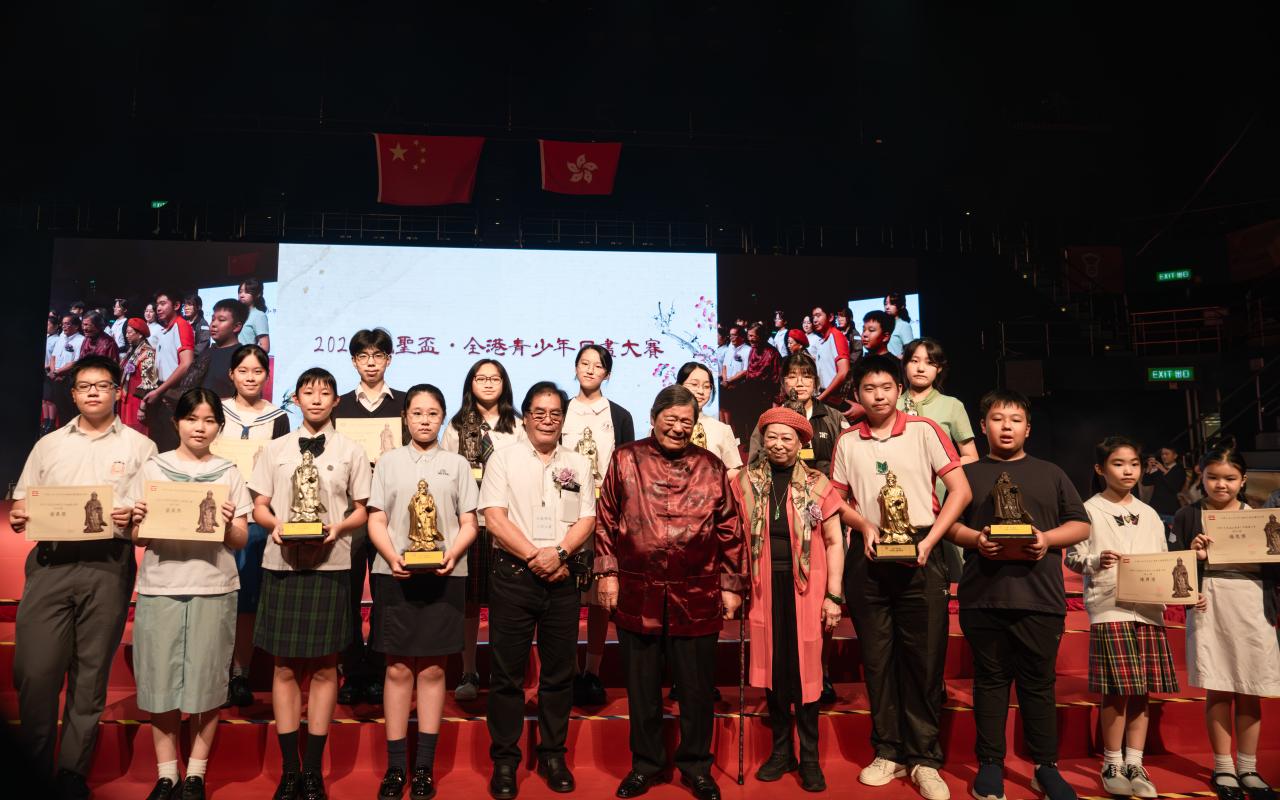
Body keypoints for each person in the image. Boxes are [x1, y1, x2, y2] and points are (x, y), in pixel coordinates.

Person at [8, 355, 158, 798]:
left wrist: (135, 516)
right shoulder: (49, 444)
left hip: (108, 564)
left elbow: (149, 516)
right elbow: (22, 501)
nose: (94, 392)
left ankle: (72, 772)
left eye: (103, 384)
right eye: (85, 386)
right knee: (35, 672)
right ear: (72, 394)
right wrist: (20, 514)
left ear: (117, 392)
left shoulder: (141, 447)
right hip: (51, 563)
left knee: (90, 674)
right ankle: (35, 768)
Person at [595, 385, 747, 800]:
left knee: (696, 688)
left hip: (696, 590)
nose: (678, 428)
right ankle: (645, 764)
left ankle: (697, 767)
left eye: (687, 422)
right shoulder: (625, 458)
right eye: (671, 419)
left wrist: (732, 584)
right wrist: (607, 573)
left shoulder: (710, 466)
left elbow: (730, 528)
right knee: (642, 686)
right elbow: (606, 519)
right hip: (638, 588)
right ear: (653, 417)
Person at [829, 354, 971, 800]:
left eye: (886, 387)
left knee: (924, 660)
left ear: (899, 389)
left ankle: (924, 758)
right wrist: (863, 525)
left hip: (922, 553)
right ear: (857, 394)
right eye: (869, 389)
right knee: (877, 660)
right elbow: (836, 499)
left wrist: (931, 540)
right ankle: (887, 751)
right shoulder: (848, 440)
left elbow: (961, 490)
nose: (879, 396)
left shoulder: (925, 430)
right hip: (868, 557)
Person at [947, 389, 1091, 800]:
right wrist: (977, 540)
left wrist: (1047, 539)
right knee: (990, 682)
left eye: (1015, 420)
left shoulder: (1051, 473)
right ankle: (990, 764)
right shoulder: (966, 475)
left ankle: (1046, 767)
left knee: (1038, 685)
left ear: (1028, 428)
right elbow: (949, 525)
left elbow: (1081, 524)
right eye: (997, 419)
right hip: (984, 596)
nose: (1006, 427)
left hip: (1040, 597)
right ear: (983, 426)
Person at [248, 367, 371, 800]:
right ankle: (289, 770)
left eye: (324, 392)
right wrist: (275, 526)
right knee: (284, 666)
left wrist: (338, 528)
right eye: (308, 391)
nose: (316, 399)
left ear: (337, 401)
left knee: (324, 666)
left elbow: (362, 509)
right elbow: (260, 505)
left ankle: (314, 770)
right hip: (281, 564)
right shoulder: (275, 448)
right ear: (296, 399)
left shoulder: (352, 450)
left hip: (330, 565)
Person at [129, 388, 251, 800]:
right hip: (161, 585)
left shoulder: (229, 471)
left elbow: (239, 539)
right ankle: (167, 774)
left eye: (209, 420)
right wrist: (139, 520)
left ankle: (196, 773)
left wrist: (230, 523)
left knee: (208, 682)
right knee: (160, 681)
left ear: (219, 426)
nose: (200, 428)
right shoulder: (154, 468)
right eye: (192, 419)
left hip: (213, 586)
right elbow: (137, 535)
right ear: (177, 423)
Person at [478, 382, 596, 799]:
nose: (548, 420)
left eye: (555, 413)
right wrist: (535, 556)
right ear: (525, 417)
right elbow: (494, 518)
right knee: (506, 675)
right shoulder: (503, 458)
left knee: (559, 674)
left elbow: (587, 518)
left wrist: (558, 554)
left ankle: (552, 755)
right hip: (514, 575)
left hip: (563, 577)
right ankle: (505, 761)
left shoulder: (578, 463)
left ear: (563, 418)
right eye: (539, 412)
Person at [367, 384, 479, 800]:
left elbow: (469, 522)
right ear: (405, 418)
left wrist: (452, 554)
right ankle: (396, 767)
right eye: (417, 413)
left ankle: (424, 768)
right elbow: (376, 519)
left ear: (443, 417)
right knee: (397, 669)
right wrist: (391, 556)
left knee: (433, 670)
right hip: (395, 574)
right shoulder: (388, 462)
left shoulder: (458, 464)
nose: (425, 420)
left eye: (433, 413)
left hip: (446, 574)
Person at [1065, 436, 1184, 798]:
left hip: (1148, 609)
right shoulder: (1088, 509)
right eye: (1118, 464)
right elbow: (1073, 557)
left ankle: (1135, 761)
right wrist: (1095, 561)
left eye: (1134, 463)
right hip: (1109, 606)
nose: (1128, 470)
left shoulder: (1149, 513)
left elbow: (1163, 559)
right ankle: (1112, 762)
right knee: (1117, 690)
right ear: (1100, 469)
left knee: (1141, 690)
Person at [740, 407, 844, 792]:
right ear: (762, 440)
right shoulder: (745, 481)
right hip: (765, 586)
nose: (779, 444)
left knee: (807, 673)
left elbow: (834, 542)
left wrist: (833, 595)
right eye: (772, 437)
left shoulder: (818, 484)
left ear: (801, 443)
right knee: (775, 669)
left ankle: (810, 758)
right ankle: (782, 751)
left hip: (808, 589)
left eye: (787, 438)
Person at [1173, 446, 1280, 800]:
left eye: (1230, 478)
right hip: (1210, 604)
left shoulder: (1261, 516)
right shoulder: (1188, 515)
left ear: (1243, 480)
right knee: (1218, 686)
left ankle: (1248, 767)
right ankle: (1223, 767)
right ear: (1201, 477)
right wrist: (1194, 557)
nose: (1221, 485)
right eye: (1213, 477)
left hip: (1253, 604)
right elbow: (1173, 567)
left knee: (1249, 688)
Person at [440, 359, 526, 703]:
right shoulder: (455, 426)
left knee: (505, 602)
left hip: (508, 525)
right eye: (481, 378)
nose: (488, 383)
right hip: (470, 524)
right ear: (470, 383)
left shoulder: (517, 426)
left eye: (495, 378)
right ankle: (469, 670)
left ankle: (503, 672)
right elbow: (446, 475)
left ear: (504, 384)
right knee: (470, 603)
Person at [334, 328, 407, 706]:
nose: (371, 363)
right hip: (350, 512)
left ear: (389, 359)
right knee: (346, 594)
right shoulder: (339, 406)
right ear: (354, 361)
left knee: (386, 593)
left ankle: (378, 670)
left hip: (392, 514)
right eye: (363, 356)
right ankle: (352, 671)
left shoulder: (406, 404)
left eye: (378, 355)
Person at [561, 344, 636, 708]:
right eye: (584, 363)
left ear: (607, 373)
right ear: (575, 368)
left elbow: (628, 468)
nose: (590, 370)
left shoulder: (618, 415)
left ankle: (592, 672)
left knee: (599, 595)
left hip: (606, 512)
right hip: (564, 511)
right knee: (565, 595)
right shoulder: (560, 410)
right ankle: (569, 671)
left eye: (598, 365)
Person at [221, 344, 291, 707]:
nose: (250, 378)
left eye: (257, 371)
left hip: (256, 518)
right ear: (231, 374)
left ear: (267, 375)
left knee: (247, 600)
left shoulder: (279, 418)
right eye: (243, 371)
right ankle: (214, 673)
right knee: (216, 595)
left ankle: (239, 674)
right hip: (217, 516)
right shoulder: (215, 411)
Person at [898, 338, 979, 578]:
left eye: (929, 362)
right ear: (905, 365)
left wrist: (941, 468)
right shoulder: (892, 404)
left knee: (950, 570)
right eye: (914, 361)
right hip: (900, 497)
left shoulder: (952, 406)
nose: (921, 368)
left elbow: (971, 456)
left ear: (939, 368)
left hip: (944, 498)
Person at [748, 352, 847, 477]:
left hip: (826, 486)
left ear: (815, 382)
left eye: (806, 376)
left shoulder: (834, 418)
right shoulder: (769, 420)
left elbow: (848, 461)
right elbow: (754, 465)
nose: (799, 383)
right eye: (792, 377)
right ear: (783, 382)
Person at [144, 290, 196, 452]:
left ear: (176, 305)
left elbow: (186, 363)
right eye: (157, 305)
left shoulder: (181, 325)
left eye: (163, 303)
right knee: (159, 442)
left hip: (172, 394)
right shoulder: (164, 330)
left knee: (170, 444)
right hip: (162, 391)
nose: (158, 308)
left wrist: (160, 391)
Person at [677, 360, 743, 478]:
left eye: (706, 386)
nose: (701, 391)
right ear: (679, 386)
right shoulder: (664, 426)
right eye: (694, 384)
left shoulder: (722, 429)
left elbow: (735, 470)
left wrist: (712, 480)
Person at [720, 322, 782, 446]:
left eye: (753, 336)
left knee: (764, 425)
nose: (750, 339)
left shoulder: (772, 353)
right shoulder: (753, 349)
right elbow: (750, 371)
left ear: (761, 336)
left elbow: (775, 378)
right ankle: (752, 444)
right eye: (749, 335)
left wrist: (776, 400)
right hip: (751, 392)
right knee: (750, 421)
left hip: (766, 395)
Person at [180, 298, 247, 399]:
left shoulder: (242, 357)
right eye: (213, 319)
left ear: (236, 327)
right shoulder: (207, 352)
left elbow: (244, 397)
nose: (214, 324)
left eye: (221, 320)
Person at [120, 317, 160, 436]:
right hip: (127, 398)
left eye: (130, 333)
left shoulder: (147, 353)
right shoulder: (132, 350)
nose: (126, 335)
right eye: (126, 332)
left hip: (137, 401)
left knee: (137, 435)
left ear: (140, 335)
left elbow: (149, 383)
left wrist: (142, 407)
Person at [810, 305, 851, 412]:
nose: (814, 320)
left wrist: (820, 399)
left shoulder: (836, 336)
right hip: (825, 396)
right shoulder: (822, 341)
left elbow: (843, 372)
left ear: (830, 317)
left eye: (818, 315)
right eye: (813, 317)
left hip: (833, 399)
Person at [47, 313, 84, 427]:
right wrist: (53, 371)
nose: (64, 326)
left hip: (69, 379)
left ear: (76, 326)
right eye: (63, 324)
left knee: (71, 410)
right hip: (56, 378)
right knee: (60, 409)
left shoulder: (81, 340)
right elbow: (53, 357)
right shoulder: (61, 338)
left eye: (67, 324)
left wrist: (58, 372)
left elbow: (76, 361)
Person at [1142, 446, 1187, 528]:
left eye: (1167, 454)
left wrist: (1163, 470)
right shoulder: (1159, 468)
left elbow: (1175, 487)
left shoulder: (1179, 469)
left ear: (1175, 456)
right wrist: (1149, 468)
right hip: (1155, 508)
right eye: (1162, 454)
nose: (1164, 456)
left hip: (1170, 510)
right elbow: (1145, 482)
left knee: (1172, 534)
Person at [237, 278, 271, 351]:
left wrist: (246, 355)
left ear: (258, 294)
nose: (241, 295)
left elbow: (265, 347)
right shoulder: (235, 314)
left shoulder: (258, 315)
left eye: (247, 292)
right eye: (240, 292)